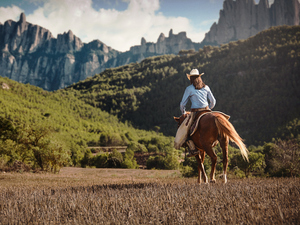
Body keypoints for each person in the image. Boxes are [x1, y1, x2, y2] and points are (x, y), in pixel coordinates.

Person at [174, 68, 216, 157]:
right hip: (207, 110)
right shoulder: (206, 87)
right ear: (199, 77)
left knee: (186, 129)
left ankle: (193, 149)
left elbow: (182, 104)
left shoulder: (189, 89)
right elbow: (213, 101)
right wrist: (209, 108)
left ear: (191, 79)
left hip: (195, 112)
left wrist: (184, 112)